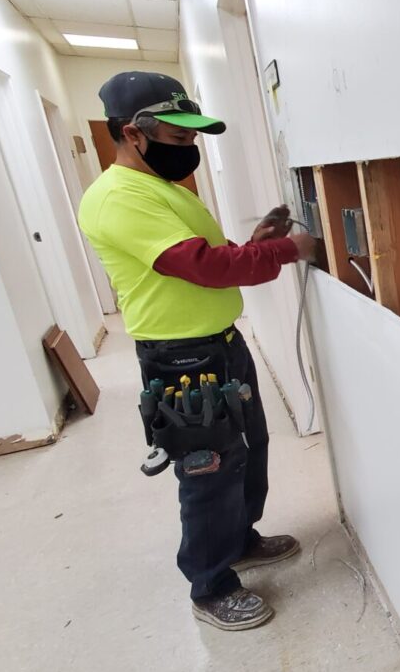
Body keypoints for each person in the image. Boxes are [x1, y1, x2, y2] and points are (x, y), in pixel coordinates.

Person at [78, 71, 317, 631]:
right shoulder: (117, 198)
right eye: (179, 139)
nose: (190, 151)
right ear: (133, 134)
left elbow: (204, 255)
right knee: (209, 467)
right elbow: (203, 269)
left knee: (249, 447)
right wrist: (288, 250)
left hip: (221, 347)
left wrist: (255, 246)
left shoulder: (162, 191)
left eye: (192, 140)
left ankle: (237, 540)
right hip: (182, 359)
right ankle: (210, 584)